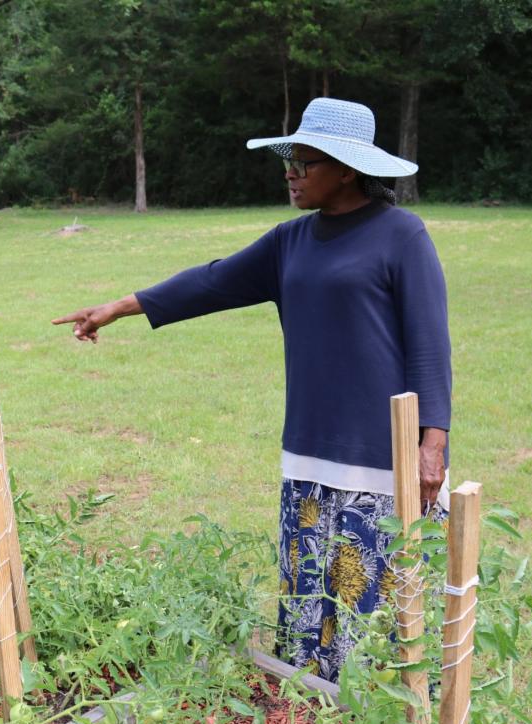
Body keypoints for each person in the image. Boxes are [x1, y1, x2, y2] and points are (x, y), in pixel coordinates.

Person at [51, 97, 451, 682]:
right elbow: (212, 282)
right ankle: (309, 714)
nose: (290, 173)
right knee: (307, 601)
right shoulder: (291, 241)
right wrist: (118, 307)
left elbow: (429, 344)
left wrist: (432, 444)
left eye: (303, 162)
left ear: (347, 169)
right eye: (287, 161)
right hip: (309, 451)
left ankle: (381, 720)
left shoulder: (401, 235)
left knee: (378, 611)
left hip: (380, 458)